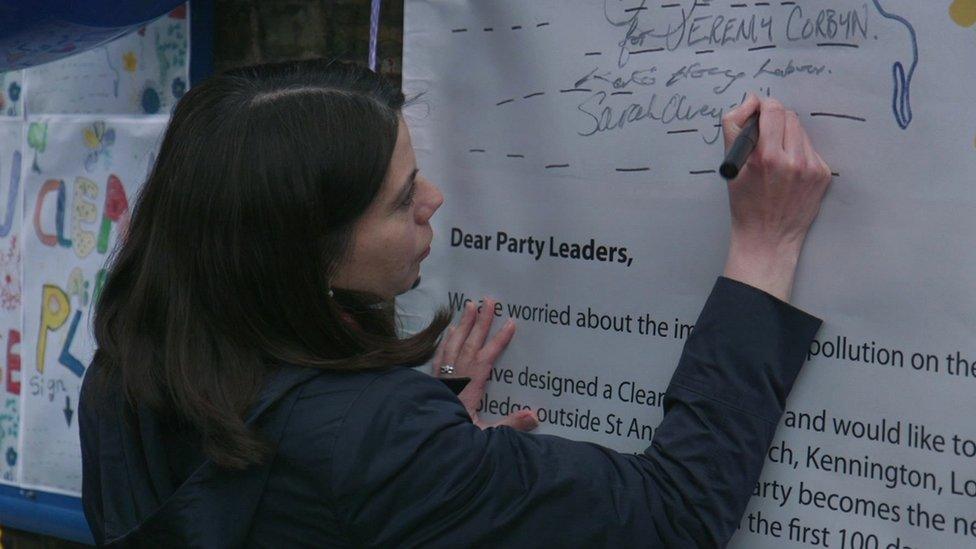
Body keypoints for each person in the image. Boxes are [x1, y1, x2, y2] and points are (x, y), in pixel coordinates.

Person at [79, 59, 831, 548]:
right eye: (403, 197)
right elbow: (674, 516)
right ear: (306, 254)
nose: (434, 200)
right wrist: (763, 250)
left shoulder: (124, 374)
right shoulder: (381, 441)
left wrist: (427, 440)